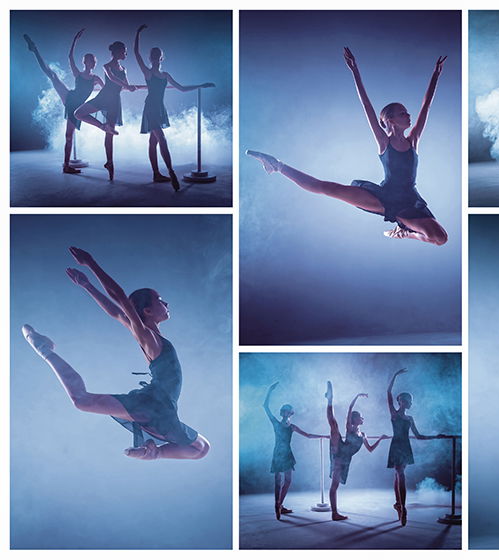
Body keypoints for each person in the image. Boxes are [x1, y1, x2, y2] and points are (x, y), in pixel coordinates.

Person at [21, 246, 210, 460]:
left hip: (157, 409)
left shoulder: (150, 337)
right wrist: (91, 263)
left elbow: (116, 313)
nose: (166, 303)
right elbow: (120, 299)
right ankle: (154, 452)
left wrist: (87, 285)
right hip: (155, 404)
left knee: (201, 448)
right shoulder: (148, 336)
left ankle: (154, 451)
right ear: (147, 311)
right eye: (160, 300)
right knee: (200, 448)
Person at [246, 47, 449, 245]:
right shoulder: (383, 141)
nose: (409, 115)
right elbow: (366, 106)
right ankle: (277, 165)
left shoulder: (412, 140)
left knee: (440, 238)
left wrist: (435, 76)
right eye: (403, 113)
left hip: (410, 199)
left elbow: (426, 106)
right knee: (326, 187)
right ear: (390, 120)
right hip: (384, 197)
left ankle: (404, 233)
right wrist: (355, 72)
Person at [134, 24, 215, 191]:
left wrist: (201, 85)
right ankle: (171, 172)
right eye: (153, 56)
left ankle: (156, 174)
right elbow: (136, 53)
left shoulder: (165, 75)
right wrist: (138, 33)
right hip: (150, 108)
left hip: (160, 109)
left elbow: (182, 88)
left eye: (157, 56)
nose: (155, 58)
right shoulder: (148, 72)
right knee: (161, 139)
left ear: (161, 58)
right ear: (150, 58)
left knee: (153, 142)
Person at [24, 30, 104, 174]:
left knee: (69, 136)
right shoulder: (78, 74)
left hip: (78, 107)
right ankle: (35, 49)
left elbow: (106, 92)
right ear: (85, 62)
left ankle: (66, 166)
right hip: (69, 97)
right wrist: (75, 40)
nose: (91, 61)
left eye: (92, 59)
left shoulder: (96, 79)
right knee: (53, 75)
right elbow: (70, 57)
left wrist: (125, 87)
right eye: (88, 59)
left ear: (94, 63)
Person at [387, 368, 447, 526]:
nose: (411, 403)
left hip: (405, 447)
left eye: (411, 401)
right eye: (409, 401)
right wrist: (395, 375)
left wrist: (436, 436)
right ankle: (402, 507)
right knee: (399, 474)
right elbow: (388, 392)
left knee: (399, 474)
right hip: (397, 445)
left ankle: (400, 505)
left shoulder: (410, 418)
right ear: (403, 401)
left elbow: (419, 436)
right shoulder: (394, 413)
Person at [74, 40, 138, 181]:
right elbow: (112, 78)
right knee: (78, 113)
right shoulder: (106, 66)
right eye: (124, 51)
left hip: (114, 101)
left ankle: (109, 163)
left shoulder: (124, 69)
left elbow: (125, 84)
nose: (126, 53)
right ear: (115, 52)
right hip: (103, 97)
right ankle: (102, 126)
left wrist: (131, 87)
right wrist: (127, 87)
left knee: (109, 135)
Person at [325, 381, 387, 521]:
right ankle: (330, 399)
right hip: (340, 451)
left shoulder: (363, 435)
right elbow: (349, 409)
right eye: (360, 416)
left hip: (346, 459)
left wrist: (381, 439)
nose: (362, 418)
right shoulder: (350, 428)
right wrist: (357, 396)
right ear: (354, 419)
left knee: (335, 485)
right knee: (334, 426)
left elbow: (370, 449)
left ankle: (335, 513)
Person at [263, 382, 324, 520]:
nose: (286, 413)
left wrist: (323, 436)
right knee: (278, 480)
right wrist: (269, 390)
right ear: (281, 412)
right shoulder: (276, 423)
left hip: (287, 453)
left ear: (291, 413)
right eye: (284, 410)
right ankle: (277, 505)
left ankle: (280, 504)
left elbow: (308, 435)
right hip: (278, 453)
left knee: (288, 480)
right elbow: (265, 407)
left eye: (288, 411)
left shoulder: (292, 427)